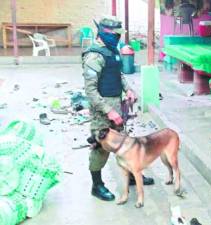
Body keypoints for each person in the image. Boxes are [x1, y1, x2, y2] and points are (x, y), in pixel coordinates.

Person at [82, 16, 154, 201]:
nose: (118, 38)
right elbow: (90, 91)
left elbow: (118, 73)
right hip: (103, 111)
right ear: (105, 32)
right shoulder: (94, 56)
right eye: (116, 34)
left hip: (118, 105)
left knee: (124, 144)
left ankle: (130, 176)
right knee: (100, 147)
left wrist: (128, 89)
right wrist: (109, 111)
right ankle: (96, 186)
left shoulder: (112, 51)